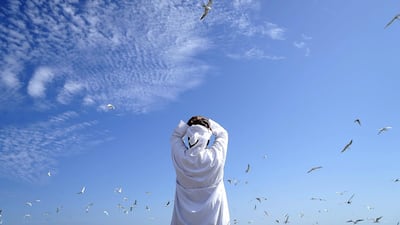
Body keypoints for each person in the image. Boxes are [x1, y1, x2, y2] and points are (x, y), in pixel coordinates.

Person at [170, 116, 230, 225]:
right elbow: (223, 134)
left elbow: (175, 136)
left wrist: (188, 125)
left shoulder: (181, 158)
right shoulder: (215, 157)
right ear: (207, 139)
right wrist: (208, 122)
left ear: (189, 138)